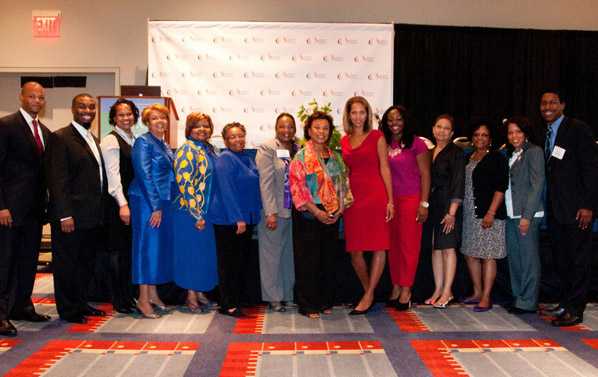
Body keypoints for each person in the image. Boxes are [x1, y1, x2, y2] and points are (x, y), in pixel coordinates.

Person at [46, 94, 108, 323]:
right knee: (67, 264)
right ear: (73, 109)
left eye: (91, 107)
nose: (88, 110)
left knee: (85, 263)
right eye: (82, 106)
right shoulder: (60, 138)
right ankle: (68, 309)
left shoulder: (92, 137)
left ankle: (81, 303)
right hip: (70, 216)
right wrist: (64, 214)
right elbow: (57, 180)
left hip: (90, 216)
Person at [539, 90, 598, 326]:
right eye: (543, 103)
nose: (547, 107)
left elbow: (592, 169)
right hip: (556, 210)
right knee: (562, 259)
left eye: (553, 102)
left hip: (577, 210)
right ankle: (565, 302)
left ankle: (575, 309)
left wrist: (587, 205)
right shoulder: (546, 132)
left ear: (563, 104)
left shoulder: (578, 129)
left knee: (578, 260)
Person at [0, 82, 52, 336]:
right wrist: (1, 207)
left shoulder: (43, 130)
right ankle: (0, 315)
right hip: (9, 211)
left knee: (27, 262)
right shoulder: (6, 125)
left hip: (33, 212)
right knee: (4, 263)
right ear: (21, 97)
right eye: (32, 96)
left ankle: (21, 306)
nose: (36, 101)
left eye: (40, 97)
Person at [290, 111, 351, 319]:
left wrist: (340, 209)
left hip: (333, 214)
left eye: (325, 128)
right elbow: (298, 189)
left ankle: (325, 300)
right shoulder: (300, 157)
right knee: (308, 261)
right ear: (309, 130)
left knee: (328, 260)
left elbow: (343, 185)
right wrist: (317, 212)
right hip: (309, 214)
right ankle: (307, 305)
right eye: (317, 128)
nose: (321, 132)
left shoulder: (335, 157)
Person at [340, 96, 393, 315]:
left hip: (375, 195)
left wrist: (390, 200)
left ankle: (368, 295)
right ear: (348, 115)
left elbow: (385, 168)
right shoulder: (344, 140)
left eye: (362, 112)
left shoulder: (377, 136)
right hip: (353, 199)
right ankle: (368, 291)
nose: (358, 117)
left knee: (379, 246)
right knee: (355, 251)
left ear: (368, 114)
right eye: (354, 112)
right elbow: (344, 171)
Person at [379, 105, 431, 311]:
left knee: (409, 246)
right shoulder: (384, 142)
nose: (394, 124)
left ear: (406, 120)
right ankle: (396, 285)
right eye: (390, 120)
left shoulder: (418, 144)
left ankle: (407, 288)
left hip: (411, 200)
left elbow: (426, 174)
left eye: (398, 119)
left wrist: (424, 203)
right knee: (392, 246)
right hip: (391, 201)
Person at [210, 122, 261, 317]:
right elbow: (227, 191)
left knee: (240, 262)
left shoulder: (247, 158)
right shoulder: (225, 159)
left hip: (246, 219)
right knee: (228, 264)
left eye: (240, 136)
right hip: (228, 220)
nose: (237, 140)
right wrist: (238, 219)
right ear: (225, 140)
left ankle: (236, 299)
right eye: (232, 137)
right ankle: (227, 303)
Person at [129, 103, 175, 319]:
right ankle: (143, 300)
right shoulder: (143, 142)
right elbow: (144, 175)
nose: (160, 121)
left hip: (162, 203)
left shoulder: (163, 144)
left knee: (156, 250)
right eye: (155, 118)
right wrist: (155, 207)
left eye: (163, 118)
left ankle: (153, 294)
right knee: (145, 250)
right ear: (147, 122)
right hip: (147, 203)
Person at [461, 121, 509, 312]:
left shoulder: (497, 157)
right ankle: (477, 291)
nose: (480, 138)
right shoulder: (468, 157)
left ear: (490, 139)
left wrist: (491, 212)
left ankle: (487, 297)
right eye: (477, 134)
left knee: (489, 255)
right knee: (471, 254)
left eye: (484, 135)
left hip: (489, 214)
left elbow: (501, 187)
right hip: (470, 213)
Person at [173, 113, 218, 312]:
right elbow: (185, 183)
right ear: (189, 129)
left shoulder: (207, 149)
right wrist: (196, 213)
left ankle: (199, 291)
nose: (202, 129)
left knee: (202, 254)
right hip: (190, 213)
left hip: (205, 212)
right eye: (197, 126)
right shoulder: (186, 149)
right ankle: (191, 296)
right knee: (191, 254)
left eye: (206, 126)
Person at [100, 98, 139, 314]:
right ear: (113, 118)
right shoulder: (111, 141)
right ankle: (119, 299)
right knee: (117, 252)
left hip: (129, 202)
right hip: (117, 205)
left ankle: (126, 295)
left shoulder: (132, 138)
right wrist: (123, 205)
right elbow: (113, 176)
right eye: (121, 114)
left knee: (125, 252)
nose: (126, 117)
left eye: (129, 113)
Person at [256, 113, 298, 312]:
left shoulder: (298, 148)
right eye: (282, 126)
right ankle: (274, 298)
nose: (286, 130)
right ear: (276, 128)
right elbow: (265, 183)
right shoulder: (268, 148)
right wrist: (270, 212)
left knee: (287, 256)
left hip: (293, 212)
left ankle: (288, 295)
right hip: (274, 211)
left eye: (290, 126)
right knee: (271, 257)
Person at [504, 116, 545, 314]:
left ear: (526, 133)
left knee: (528, 260)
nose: (514, 136)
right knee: (516, 259)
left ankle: (528, 301)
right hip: (512, 213)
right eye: (511, 132)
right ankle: (519, 297)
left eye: (518, 131)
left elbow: (537, 186)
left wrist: (527, 216)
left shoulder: (534, 152)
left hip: (528, 214)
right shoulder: (512, 153)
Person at [424, 114, 465, 308]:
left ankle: (448, 291)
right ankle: (438, 289)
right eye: (439, 127)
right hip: (432, 207)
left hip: (448, 207)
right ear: (433, 129)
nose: (442, 131)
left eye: (446, 128)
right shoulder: (429, 151)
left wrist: (452, 212)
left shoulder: (456, 152)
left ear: (452, 133)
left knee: (448, 249)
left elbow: (458, 182)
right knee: (435, 249)